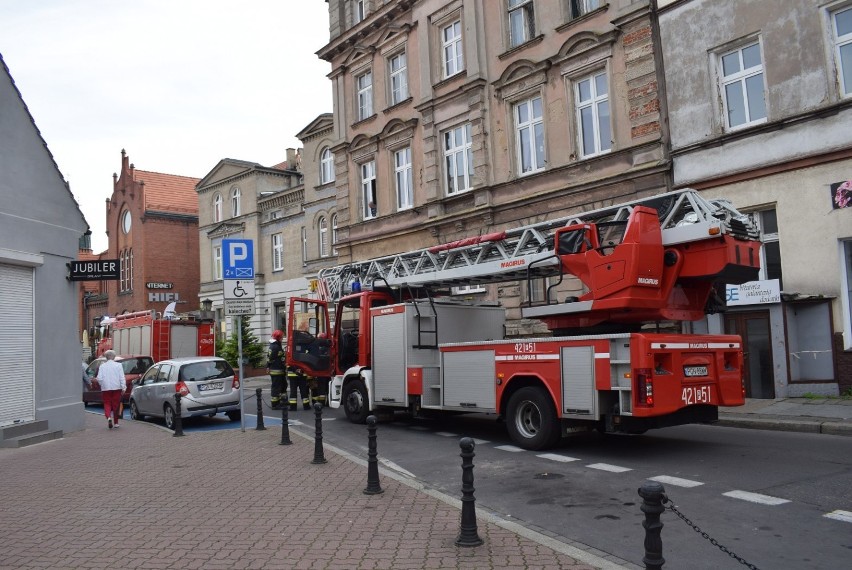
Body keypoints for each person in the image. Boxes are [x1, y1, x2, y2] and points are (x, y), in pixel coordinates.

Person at [96, 350, 125, 429]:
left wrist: (102, 384)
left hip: (106, 388)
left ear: (106, 357)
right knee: (116, 405)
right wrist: (123, 387)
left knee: (107, 403)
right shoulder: (119, 365)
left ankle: (108, 417)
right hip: (117, 387)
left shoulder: (102, 366)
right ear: (114, 357)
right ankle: (116, 423)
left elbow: (99, 378)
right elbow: (122, 377)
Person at [268, 330, 287, 409]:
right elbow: (270, 358)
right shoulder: (274, 347)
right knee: (276, 387)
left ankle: (283, 401)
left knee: (283, 385)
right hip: (276, 370)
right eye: (281, 337)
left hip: (280, 370)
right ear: (278, 337)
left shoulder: (277, 345)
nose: (282, 338)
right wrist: (268, 366)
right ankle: (275, 404)